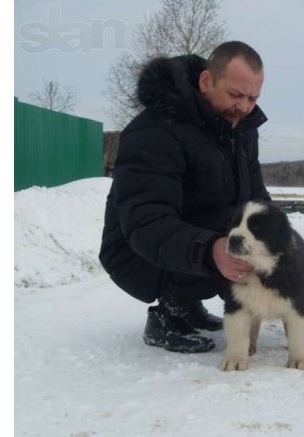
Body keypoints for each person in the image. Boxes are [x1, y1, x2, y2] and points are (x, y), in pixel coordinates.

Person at [99, 41, 270, 353]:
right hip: (134, 249)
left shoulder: (240, 128)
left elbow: (256, 195)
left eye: (252, 98)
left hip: (188, 235)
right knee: (226, 236)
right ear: (206, 82)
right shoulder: (156, 129)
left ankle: (188, 305)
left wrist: (276, 239)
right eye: (235, 95)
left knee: (249, 233)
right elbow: (146, 220)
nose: (245, 107)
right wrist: (210, 250)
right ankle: (168, 314)